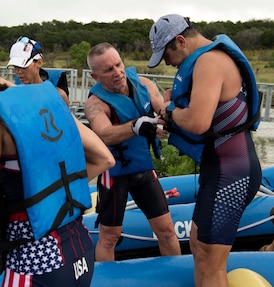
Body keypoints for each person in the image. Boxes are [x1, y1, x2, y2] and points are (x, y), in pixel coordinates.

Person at [0, 49, 115, 287]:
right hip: (79, 251)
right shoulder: (47, 97)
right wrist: (50, 194)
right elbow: (104, 158)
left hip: (36, 263)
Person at [147, 14, 262, 286]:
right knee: (199, 247)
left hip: (232, 173)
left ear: (181, 41)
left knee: (210, 261)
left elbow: (198, 122)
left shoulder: (209, 62)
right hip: (221, 169)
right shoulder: (207, 60)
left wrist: (169, 111)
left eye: (166, 53)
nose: (166, 62)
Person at [84, 42, 182, 261]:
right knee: (110, 237)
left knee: (166, 230)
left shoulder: (144, 84)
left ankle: (176, 276)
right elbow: (105, 133)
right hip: (115, 176)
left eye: (118, 64)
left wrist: (171, 109)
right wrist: (135, 126)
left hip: (144, 170)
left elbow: (161, 108)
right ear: (95, 76)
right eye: (108, 70)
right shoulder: (95, 103)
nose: (117, 73)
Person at [7, 36, 70, 106]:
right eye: (15, 67)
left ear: (39, 62)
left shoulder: (57, 95)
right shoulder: (14, 93)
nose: (19, 72)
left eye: (24, 66)